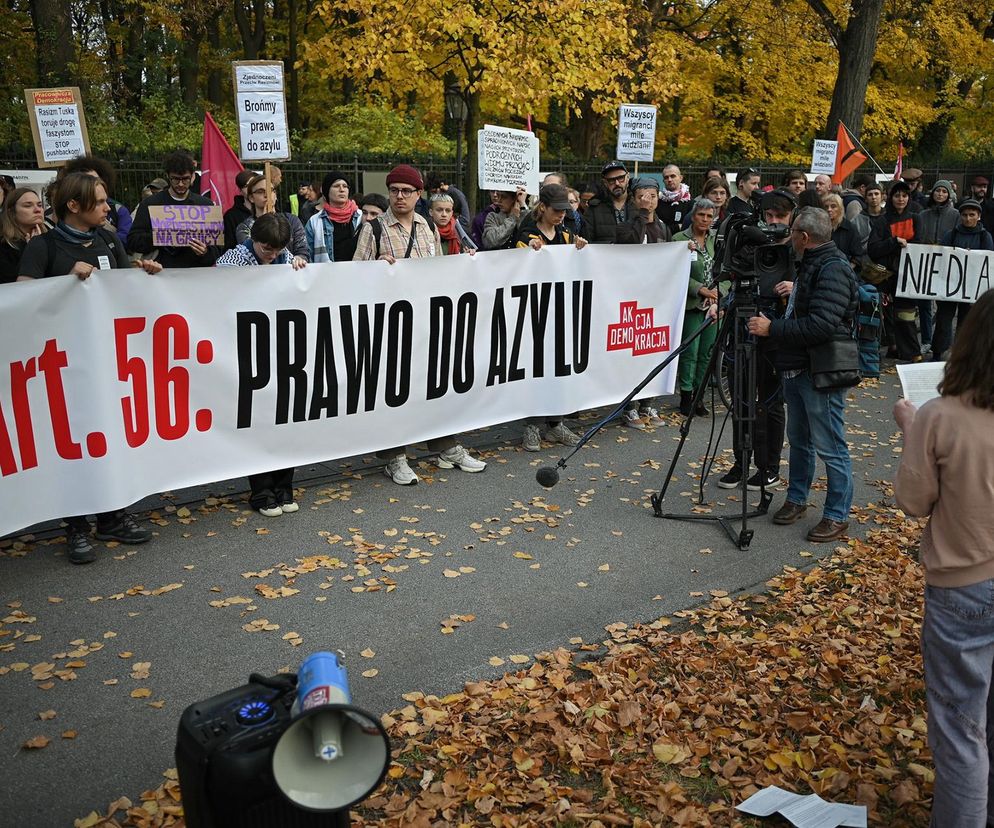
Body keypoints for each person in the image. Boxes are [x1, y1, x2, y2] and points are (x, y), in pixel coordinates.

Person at [18, 172, 161, 563]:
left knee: (109, 438)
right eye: (99, 201)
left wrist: (143, 274)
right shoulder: (43, 247)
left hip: (106, 360)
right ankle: (77, 525)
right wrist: (65, 282)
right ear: (73, 206)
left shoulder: (108, 239)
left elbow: (122, 289)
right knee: (71, 444)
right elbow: (22, 301)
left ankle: (112, 515)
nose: (106, 206)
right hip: (62, 367)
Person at [892, 289, 994, 828]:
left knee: (960, 732)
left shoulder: (939, 416)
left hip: (965, 587)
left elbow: (913, 502)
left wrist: (913, 432)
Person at [354, 163, 486, 484]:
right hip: (390, 324)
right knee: (393, 391)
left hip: (425, 320)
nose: (399, 197)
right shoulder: (374, 229)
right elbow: (354, 275)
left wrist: (463, 264)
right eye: (394, 190)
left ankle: (445, 445)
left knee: (433, 385)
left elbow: (436, 270)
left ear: (419, 194)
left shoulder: (427, 227)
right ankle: (394, 455)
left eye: (407, 191)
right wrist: (375, 268)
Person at [748, 206, 857, 543]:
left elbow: (822, 325)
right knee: (800, 441)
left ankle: (837, 515)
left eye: (792, 231)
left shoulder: (833, 268)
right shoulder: (813, 263)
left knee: (830, 445)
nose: (787, 236)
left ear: (804, 237)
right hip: (798, 367)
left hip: (819, 371)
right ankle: (797, 499)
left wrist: (773, 329)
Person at [216, 213, 306, 516]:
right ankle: (262, 491)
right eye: (267, 249)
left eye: (278, 250)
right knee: (259, 422)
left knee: (285, 419)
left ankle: (284, 487)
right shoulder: (232, 261)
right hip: (248, 352)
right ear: (254, 240)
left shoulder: (282, 258)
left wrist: (297, 268)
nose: (273, 255)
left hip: (280, 351)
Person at [718, 188, 795, 491]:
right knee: (741, 399)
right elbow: (728, 272)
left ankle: (769, 467)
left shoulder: (799, 248)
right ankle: (741, 461)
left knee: (770, 403)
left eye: (781, 216)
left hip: (777, 333)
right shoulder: (750, 242)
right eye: (769, 215)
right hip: (743, 326)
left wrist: (796, 288)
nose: (774, 222)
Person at [515, 184, 587, 452]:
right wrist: (529, 249)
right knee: (536, 368)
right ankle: (532, 425)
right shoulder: (526, 234)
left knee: (559, 367)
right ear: (542, 207)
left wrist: (581, 248)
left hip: (561, 311)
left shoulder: (567, 235)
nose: (561, 216)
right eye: (557, 210)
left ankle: (555, 423)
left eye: (565, 211)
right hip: (535, 312)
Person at [614, 179, 671, 426]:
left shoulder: (663, 228)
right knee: (631, 355)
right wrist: (640, 216)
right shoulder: (626, 226)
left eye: (652, 195)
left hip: (655, 301)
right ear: (634, 200)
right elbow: (629, 245)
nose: (648, 200)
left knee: (653, 352)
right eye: (642, 196)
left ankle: (648, 403)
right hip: (631, 299)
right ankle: (630, 406)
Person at [673, 199, 725, 417]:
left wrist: (718, 294)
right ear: (693, 216)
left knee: (707, 353)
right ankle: (686, 395)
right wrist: (700, 289)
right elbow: (675, 272)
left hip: (714, 305)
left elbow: (726, 269)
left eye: (709, 216)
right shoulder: (679, 239)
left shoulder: (718, 240)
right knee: (690, 352)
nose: (705, 220)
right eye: (701, 215)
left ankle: (699, 395)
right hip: (692, 304)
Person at [128, 150, 221, 269]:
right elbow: (133, 241)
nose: (181, 184)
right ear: (168, 176)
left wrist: (205, 252)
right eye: (176, 179)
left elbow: (217, 250)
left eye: (185, 179)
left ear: (193, 176)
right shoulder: (150, 204)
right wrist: (161, 236)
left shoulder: (205, 205)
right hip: (160, 273)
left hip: (195, 273)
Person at [930, 198, 994, 362]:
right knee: (944, 322)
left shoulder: (985, 237)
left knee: (966, 324)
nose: (967, 218)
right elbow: (942, 256)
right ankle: (939, 354)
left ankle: (962, 356)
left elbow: (987, 262)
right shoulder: (951, 234)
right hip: (949, 286)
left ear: (978, 216)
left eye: (971, 215)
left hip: (971, 289)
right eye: (964, 215)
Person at [868, 180, 921, 361]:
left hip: (907, 275)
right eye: (897, 195)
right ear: (890, 198)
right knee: (885, 316)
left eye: (904, 195)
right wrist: (894, 242)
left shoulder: (916, 218)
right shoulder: (882, 221)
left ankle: (912, 352)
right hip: (886, 276)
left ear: (909, 197)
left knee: (906, 315)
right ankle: (890, 348)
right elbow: (873, 249)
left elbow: (920, 247)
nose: (901, 199)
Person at [58, 156, 133, 248]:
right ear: (73, 205)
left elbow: (127, 237)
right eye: (87, 180)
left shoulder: (118, 211)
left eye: (96, 180)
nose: (107, 208)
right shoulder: (47, 244)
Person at [236, 174, 309, 259]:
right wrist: (265, 221)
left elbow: (303, 251)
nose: (267, 195)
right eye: (260, 191)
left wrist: (298, 260)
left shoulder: (292, 220)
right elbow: (250, 255)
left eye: (271, 190)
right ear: (251, 197)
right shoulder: (244, 227)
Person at [304, 170, 362, 263]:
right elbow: (306, 254)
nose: (342, 189)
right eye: (336, 186)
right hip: (326, 275)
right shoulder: (315, 221)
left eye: (345, 186)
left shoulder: (361, 217)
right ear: (327, 191)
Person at [0, 188, 46, 284]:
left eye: (39, 205)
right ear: (11, 212)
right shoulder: (4, 246)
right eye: (28, 206)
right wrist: (32, 251)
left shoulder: (51, 238)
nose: (37, 210)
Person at [584, 161, 632, 242]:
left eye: (621, 178)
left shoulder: (639, 203)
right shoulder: (594, 208)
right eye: (611, 180)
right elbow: (587, 240)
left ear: (628, 177)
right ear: (605, 182)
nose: (617, 183)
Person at [823, 193, 866, 270]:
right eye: (826, 207)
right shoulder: (820, 228)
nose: (829, 209)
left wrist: (846, 270)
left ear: (840, 208)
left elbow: (858, 256)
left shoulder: (850, 228)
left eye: (833, 206)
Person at [223, 169, 256, 250]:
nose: (251, 189)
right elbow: (229, 247)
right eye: (247, 186)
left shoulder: (270, 210)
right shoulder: (230, 216)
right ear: (240, 191)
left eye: (254, 184)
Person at [656, 164, 692, 235]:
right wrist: (677, 227)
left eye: (673, 176)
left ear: (680, 178)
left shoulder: (690, 202)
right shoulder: (657, 202)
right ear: (663, 181)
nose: (669, 180)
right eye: (666, 177)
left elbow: (690, 228)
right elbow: (657, 229)